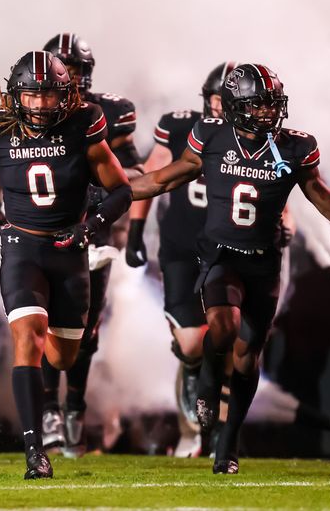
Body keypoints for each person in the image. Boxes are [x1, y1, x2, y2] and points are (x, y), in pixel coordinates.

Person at [130, 63, 330, 473]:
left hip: (264, 263)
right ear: (236, 107)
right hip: (221, 254)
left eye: (272, 105)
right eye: (258, 106)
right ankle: (203, 380)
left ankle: (228, 444)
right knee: (222, 325)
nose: (269, 114)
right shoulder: (211, 136)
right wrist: (107, 195)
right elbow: (163, 179)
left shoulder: (293, 147)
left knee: (247, 358)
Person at [0, 50, 132, 479]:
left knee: (65, 356)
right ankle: (35, 452)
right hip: (22, 247)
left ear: (66, 95)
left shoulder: (85, 123)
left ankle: (54, 351)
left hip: (69, 251)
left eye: (51, 96)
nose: (42, 105)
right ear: (16, 95)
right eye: (32, 95)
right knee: (27, 338)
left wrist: (92, 225)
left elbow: (120, 189)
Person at [36, 33, 142, 457]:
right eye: (64, 68)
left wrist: (111, 193)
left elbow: (130, 164)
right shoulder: (26, 107)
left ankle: (74, 403)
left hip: (93, 229)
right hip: (44, 225)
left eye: (76, 69)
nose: (70, 77)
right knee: (40, 319)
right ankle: (48, 410)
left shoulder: (105, 113)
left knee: (85, 328)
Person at [126, 62, 236, 456]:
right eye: (217, 99)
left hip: (231, 250)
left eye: (231, 100)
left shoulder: (257, 136)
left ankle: (217, 436)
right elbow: (152, 175)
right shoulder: (179, 126)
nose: (222, 108)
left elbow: (278, 188)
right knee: (192, 345)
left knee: (228, 339)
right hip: (182, 248)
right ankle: (192, 379)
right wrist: (135, 230)